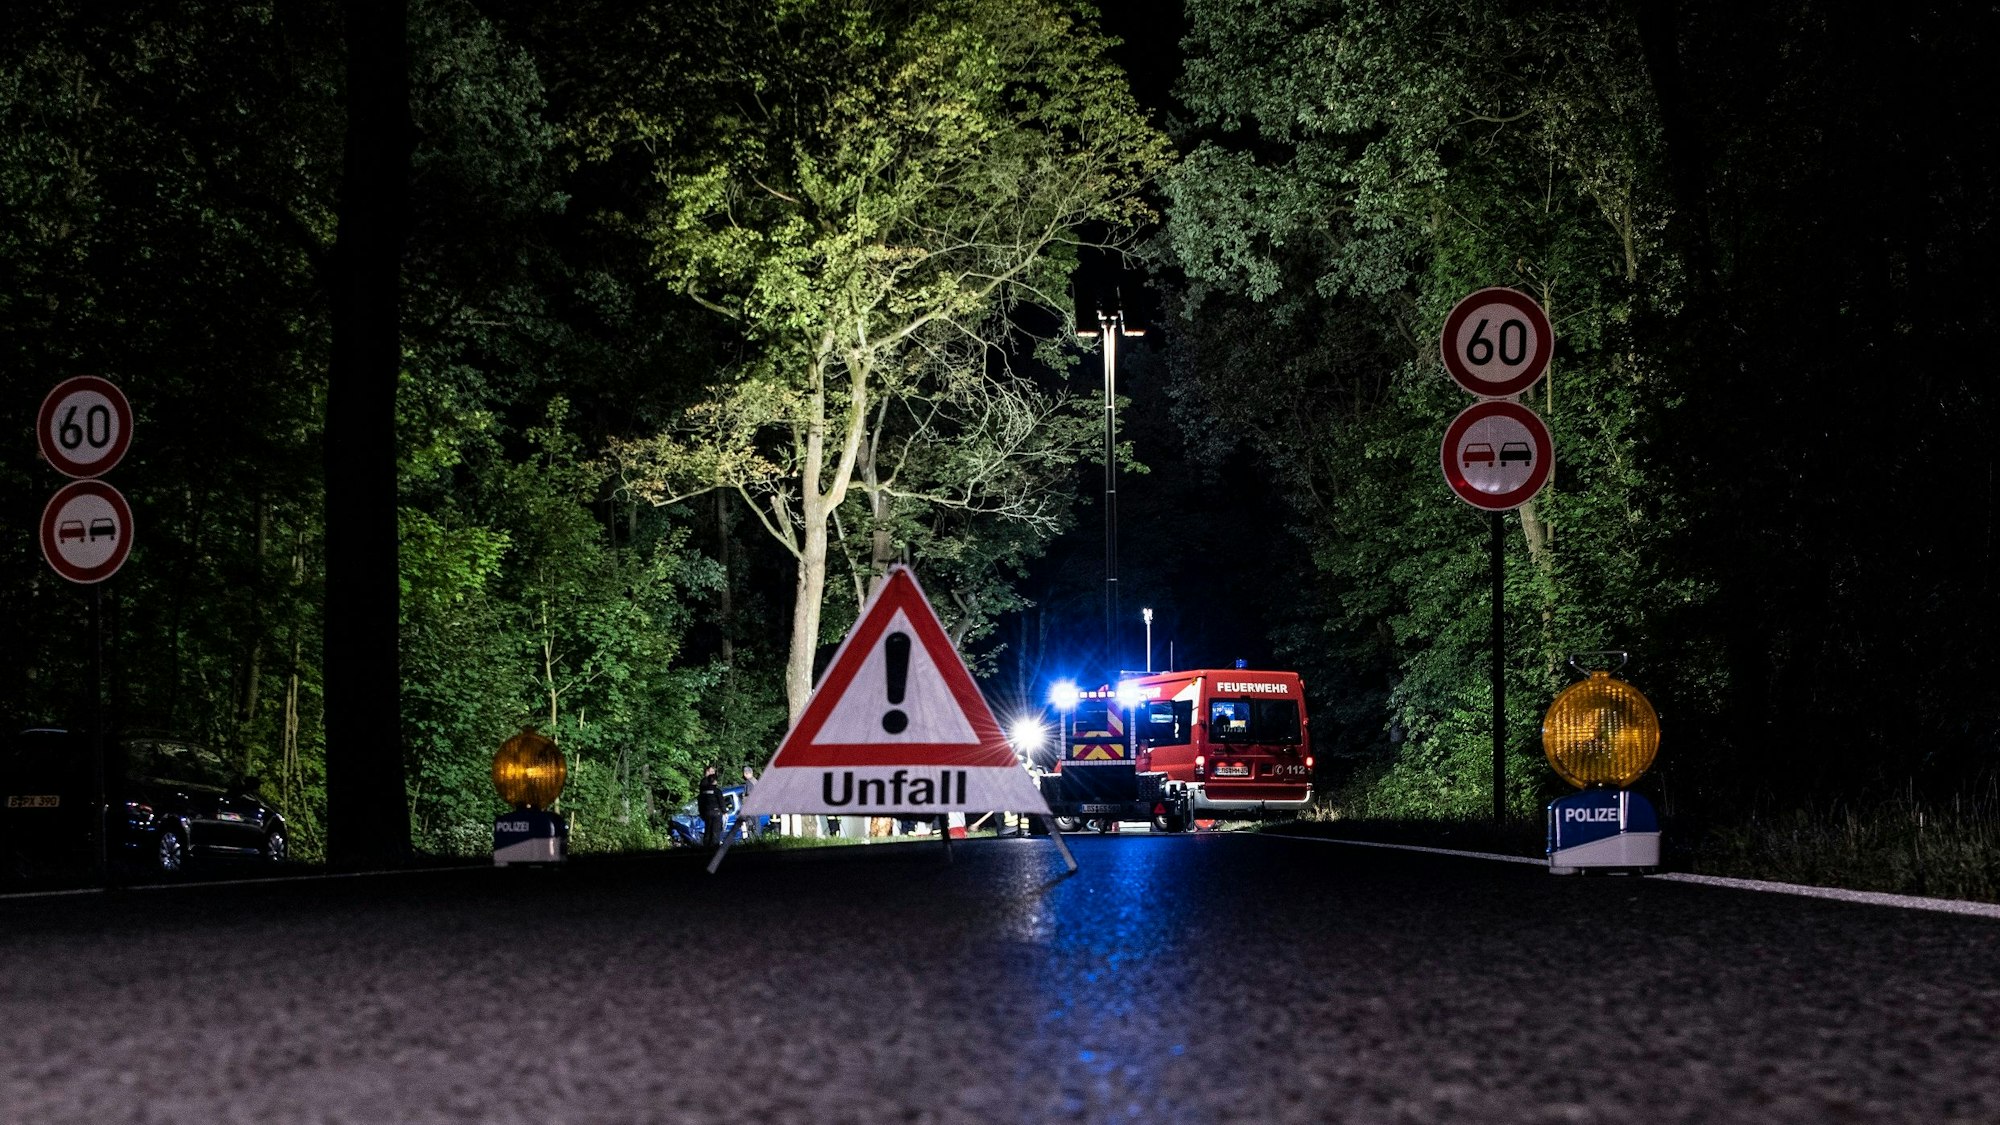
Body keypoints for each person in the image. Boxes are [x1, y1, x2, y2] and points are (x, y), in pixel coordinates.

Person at [697, 766, 724, 848]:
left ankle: (707, 847)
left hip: (707, 811)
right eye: (711, 771)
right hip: (714, 811)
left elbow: (701, 799)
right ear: (707, 772)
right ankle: (714, 847)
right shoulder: (709, 786)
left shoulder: (704, 787)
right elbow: (721, 801)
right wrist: (724, 811)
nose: (713, 773)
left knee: (708, 830)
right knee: (714, 831)